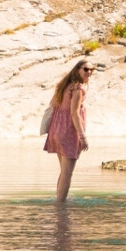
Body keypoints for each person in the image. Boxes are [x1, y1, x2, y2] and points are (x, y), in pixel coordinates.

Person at [44, 59, 92, 203]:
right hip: (68, 132)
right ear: (77, 69)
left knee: (63, 171)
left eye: (92, 70)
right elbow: (74, 113)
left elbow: (54, 105)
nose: (89, 72)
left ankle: (60, 200)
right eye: (86, 69)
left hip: (56, 130)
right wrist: (83, 137)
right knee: (67, 173)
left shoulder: (64, 86)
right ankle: (61, 207)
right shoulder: (77, 89)